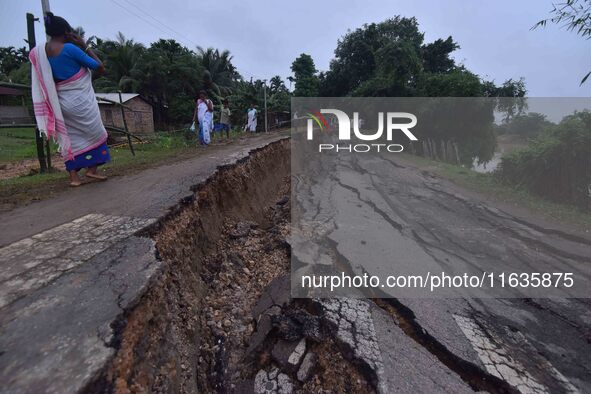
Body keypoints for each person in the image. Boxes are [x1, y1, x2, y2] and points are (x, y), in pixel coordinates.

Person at [29, 12, 109, 187]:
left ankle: (74, 178)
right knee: (97, 133)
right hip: (80, 102)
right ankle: (91, 170)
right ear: (66, 32)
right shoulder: (71, 49)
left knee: (70, 138)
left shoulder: (39, 53)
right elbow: (100, 68)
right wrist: (84, 45)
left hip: (60, 104)